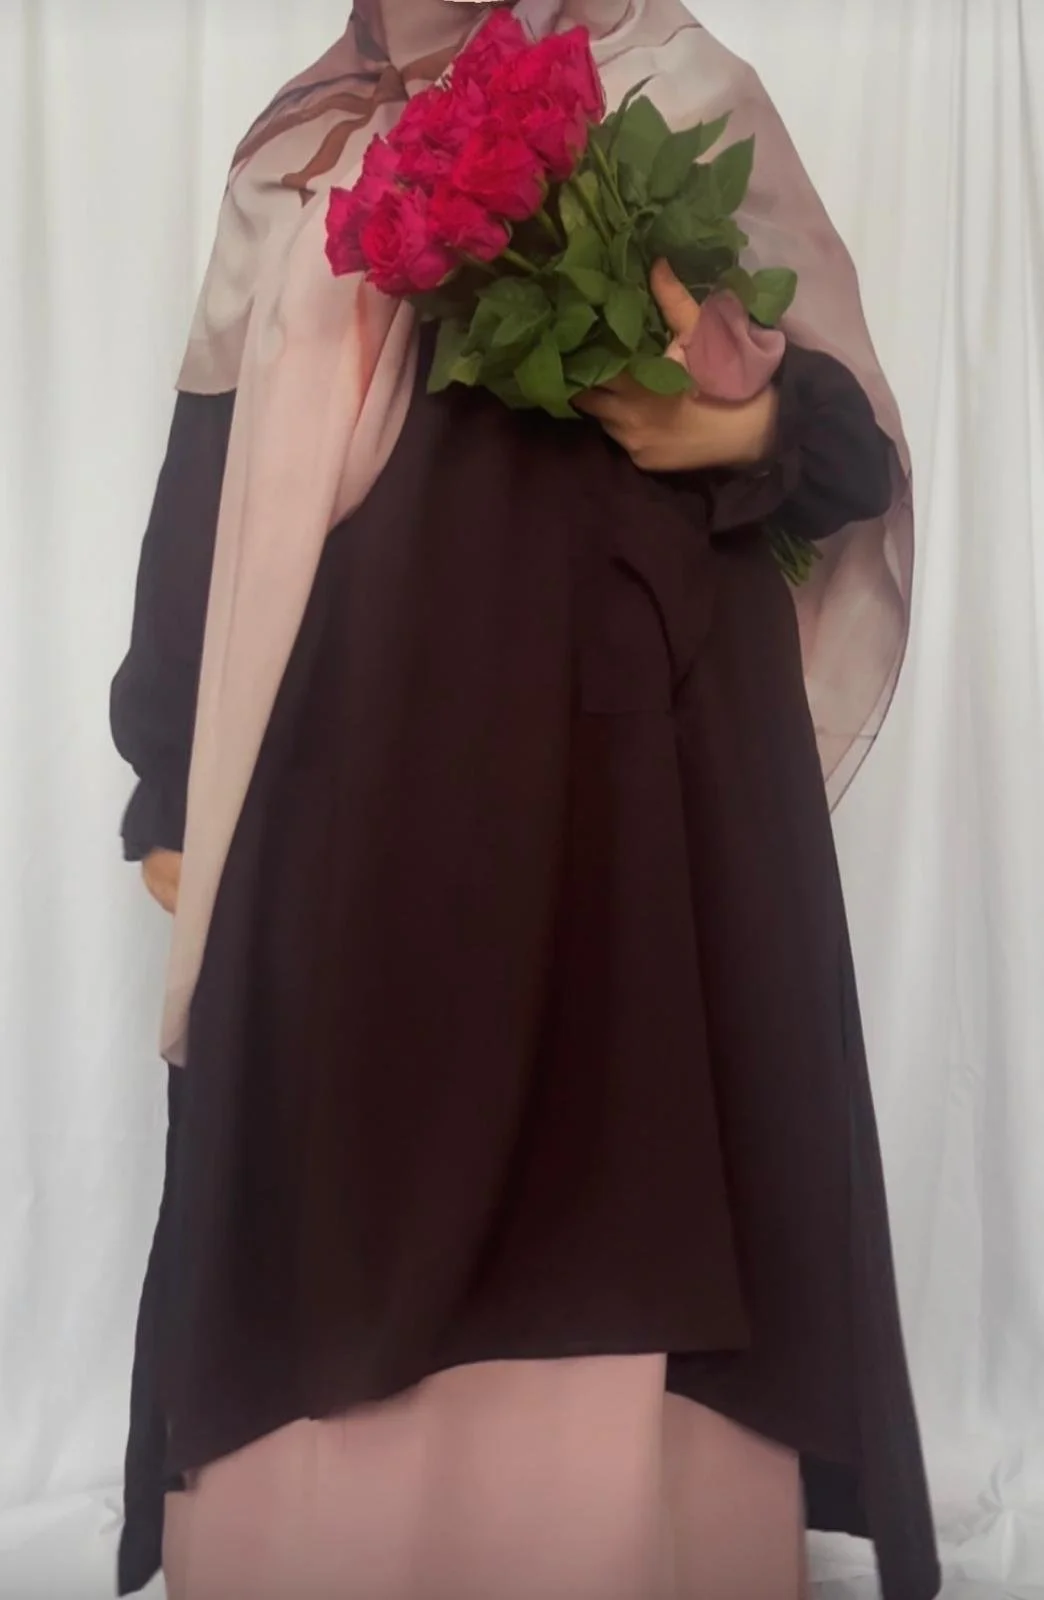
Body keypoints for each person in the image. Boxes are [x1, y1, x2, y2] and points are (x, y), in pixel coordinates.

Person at [111, 3, 941, 1597]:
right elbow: (206, 488)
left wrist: (746, 419)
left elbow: (852, 454)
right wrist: (166, 773)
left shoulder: (681, 91)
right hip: (352, 780)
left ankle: (626, 1541)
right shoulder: (302, 155)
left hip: (645, 795)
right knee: (354, 1148)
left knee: (626, 1145)